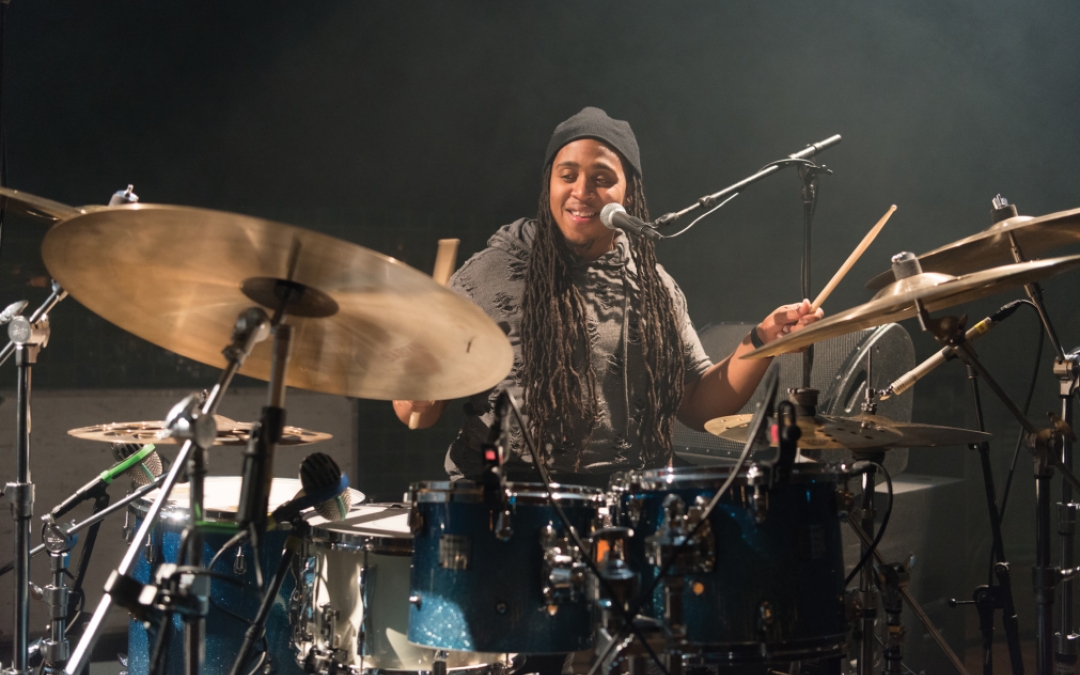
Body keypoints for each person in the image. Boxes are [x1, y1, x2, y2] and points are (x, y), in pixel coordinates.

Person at [393, 107, 822, 488]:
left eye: (602, 179)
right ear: (549, 185)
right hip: (503, 496)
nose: (582, 191)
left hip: (619, 504)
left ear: (628, 193)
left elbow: (696, 406)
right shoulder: (489, 274)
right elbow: (419, 413)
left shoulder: (655, 288)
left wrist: (762, 340)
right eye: (567, 176)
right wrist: (415, 393)